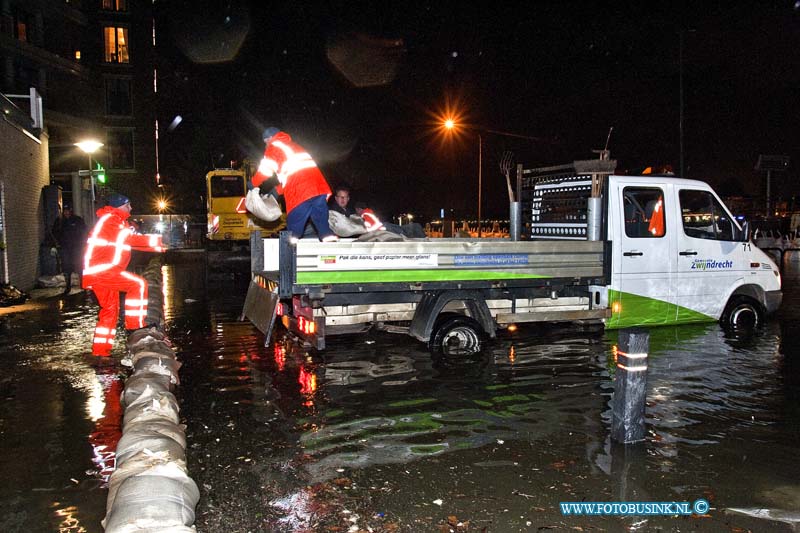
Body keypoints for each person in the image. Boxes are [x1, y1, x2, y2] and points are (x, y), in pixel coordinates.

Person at [82, 193, 164, 357]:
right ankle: (136, 327)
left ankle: (100, 353)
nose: (131, 208)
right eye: (128, 205)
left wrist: (158, 246)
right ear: (119, 206)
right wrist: (160, 242)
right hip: (103, 271)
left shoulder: (114, 221)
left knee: (110, 311)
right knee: (138, 284)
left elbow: (127, 240)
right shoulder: (111, 221)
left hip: (98, 272)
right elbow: (131, 239)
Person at [251, 127, 338, 242]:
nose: (266, 144)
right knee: (320, 219)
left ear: (271, 138)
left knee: (294, 226)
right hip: (318, 189)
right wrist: (278, 190)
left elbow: (265, 170)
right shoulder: (295, 146)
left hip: (300, 192)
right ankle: (328, 239)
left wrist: (253, 183)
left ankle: (289, 249)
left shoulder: (274, 147)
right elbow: (297, 173)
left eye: (266, 141)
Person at [52, 203, 88, 295]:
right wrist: (57, 244)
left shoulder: (77, 220)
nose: (66, 213)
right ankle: (67, 287)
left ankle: (82, 285)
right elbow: (54, 233)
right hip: (65, 248)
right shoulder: (60, 222)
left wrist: (82, 244)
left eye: (68, 211)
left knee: (79, 266)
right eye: (65, 211)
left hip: (77, 247)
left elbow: (84, 232)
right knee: (66, 267)